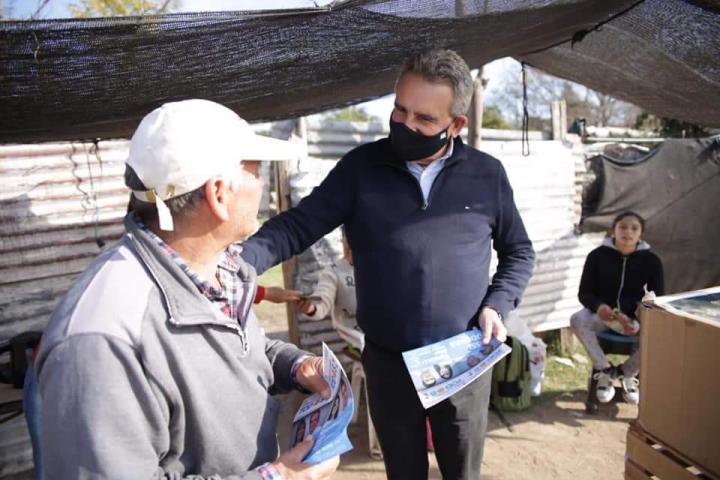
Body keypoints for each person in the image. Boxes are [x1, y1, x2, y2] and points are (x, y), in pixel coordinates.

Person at [240, 49, 535, 480]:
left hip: (462, 361)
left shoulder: (486, 175)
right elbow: (298, 226)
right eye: (400, 110)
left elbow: (519, 252)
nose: (406, 125)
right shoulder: (362, 168)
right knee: (403, 471)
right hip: (388, 361)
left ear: (456, 125)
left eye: (424, 119)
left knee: (462, 470)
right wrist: (234, 264)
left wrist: (498, 303)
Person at [35, 99, 339, 479]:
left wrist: (295, 366)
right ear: (219, 194)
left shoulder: (222, 271)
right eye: (254, 170)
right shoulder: (102, 340)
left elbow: (239, 351)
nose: (261, 183)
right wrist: (281, 476)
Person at [571, 211, 664, 406]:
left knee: (661, 334)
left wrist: (636, 317)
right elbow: (584, 293)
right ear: (613, 231)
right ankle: (605, 371)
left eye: (634, 228)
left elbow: (658, 298)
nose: (627, 232)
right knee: (578, 319)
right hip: (605, 318)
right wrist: (599, 306)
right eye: (622, 227)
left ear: (641, 235)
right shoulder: (596, 256)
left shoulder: (652, 262)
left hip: (634, 322)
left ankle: (627, 373)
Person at [297, 228, 362, 355]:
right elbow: (322, 301)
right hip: (354, 347)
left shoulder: (379, 266)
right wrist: (311, 308)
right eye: (346, 239)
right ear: (342, 240)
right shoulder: (333, 272)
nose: (350, 245)